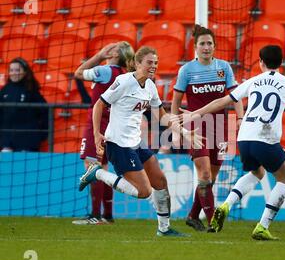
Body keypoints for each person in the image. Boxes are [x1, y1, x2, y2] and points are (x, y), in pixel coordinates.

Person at [177, 45, 285, 240]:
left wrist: (196, 113)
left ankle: (225, 205)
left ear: (261, 62)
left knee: (257, 172)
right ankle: (262, 226)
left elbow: (223, 101)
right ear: (281, 62)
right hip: (265, 138)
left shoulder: (253, 81)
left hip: (244, 138)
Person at [78, 46, 202, 236]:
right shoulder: (124, 81)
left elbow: (162, 117)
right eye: (149, 62)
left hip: (136, 143)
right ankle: (98, 173)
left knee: (160, 181)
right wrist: (96, 134)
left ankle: (164, 229)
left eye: (156, 63)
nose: (153, 66)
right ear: (137, 63)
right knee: (144, 192)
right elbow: (99, 104)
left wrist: (185, 133)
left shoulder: (150, 86)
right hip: (118, 145)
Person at [171, 24, 243, 232]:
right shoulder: (186, 70)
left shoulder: (224, 68)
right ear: (195, 47)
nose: (206, 47)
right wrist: (176, 126)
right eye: (202, 43)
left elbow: (235, 95)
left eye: (209, 43)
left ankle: (193, 216)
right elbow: (175, 102)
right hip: (196, 127)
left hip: (221, 126)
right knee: (203, 175)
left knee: (210, 177)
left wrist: (240, 117)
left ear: (215, 46)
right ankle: (213, 222)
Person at [72, 42, 135, 225]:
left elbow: (78, 73)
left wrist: (99, 55)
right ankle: (107, 215)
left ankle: (95, 215)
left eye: (112, 47)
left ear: (116, 53)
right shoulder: (124, 75)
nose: (109, 48)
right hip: (114, 126)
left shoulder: (105, 71)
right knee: (105, 169)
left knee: (92, 168)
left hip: (97, 125)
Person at [0, 57, 48, 152]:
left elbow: (44, 112)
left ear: (25, 72)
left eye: (17, 70)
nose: (14, 73)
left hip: (27, 140)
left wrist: (43, 133)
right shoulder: (5, 90)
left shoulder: (31, 90)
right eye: (11, 70)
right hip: (7, 140)